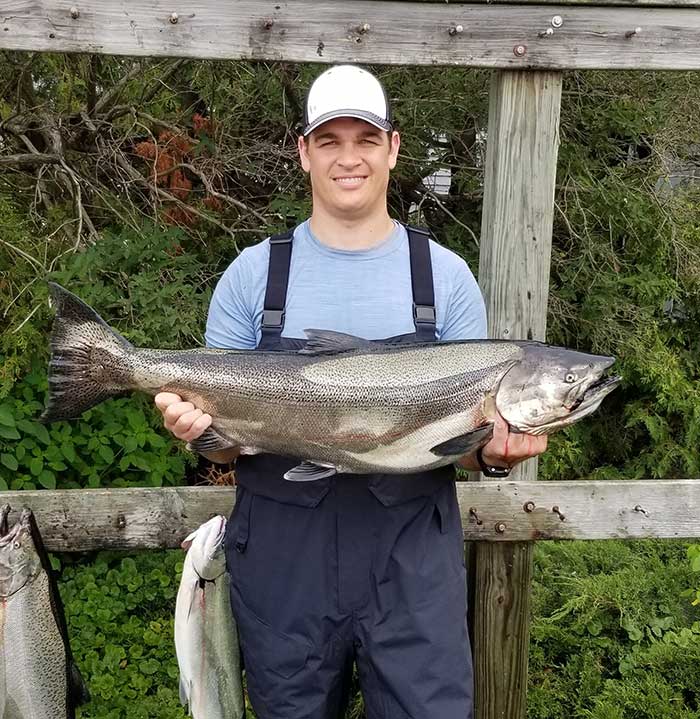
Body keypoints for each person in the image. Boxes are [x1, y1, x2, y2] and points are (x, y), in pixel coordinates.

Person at [156, 65, 547, 719]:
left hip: (412, 556)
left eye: (364, 139)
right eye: (329, 140)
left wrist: (493, 453)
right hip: (284, 556)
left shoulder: (444, 280)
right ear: (303, 150)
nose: (348, 157)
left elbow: (467, 443)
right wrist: (199, 434)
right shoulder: (253, 278)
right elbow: (222, 457)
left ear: (393, 148)